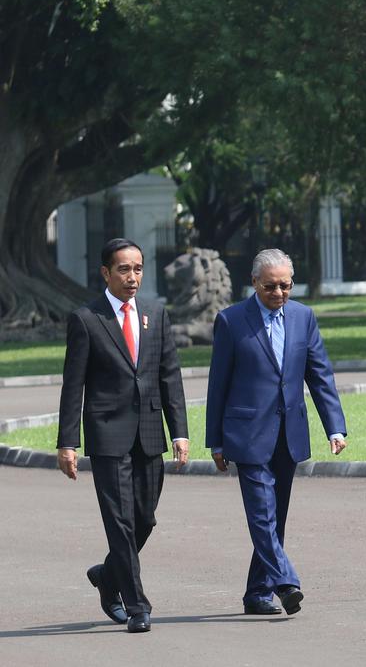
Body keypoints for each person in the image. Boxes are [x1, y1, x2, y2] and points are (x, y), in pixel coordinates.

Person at [57, 238, 190, 634]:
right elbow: (73, 385)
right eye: (123, 270)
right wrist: (68, 442)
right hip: (107, 435)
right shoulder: (86, 319)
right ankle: (136, 606)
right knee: (120, 523)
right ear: (105, 273)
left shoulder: (155, 313)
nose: (132, 277)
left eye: (138, 269)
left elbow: (170, 376)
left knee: (144, 520)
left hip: (150, 433)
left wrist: (179, 431)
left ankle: (107, 574)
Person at [205, 248, 347, 616]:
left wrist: (335, 426)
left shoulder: (303, 317)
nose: (279, 293)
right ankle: (285, 581)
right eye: (271, 286)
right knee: (261, 514)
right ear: (254, 283)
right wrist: (215, 440)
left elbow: (320, 375)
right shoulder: (231, 320)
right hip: (246, 434)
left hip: (290, 432)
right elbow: (217, 385)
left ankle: (256, 593)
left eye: (285, 286)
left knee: (275, 516)